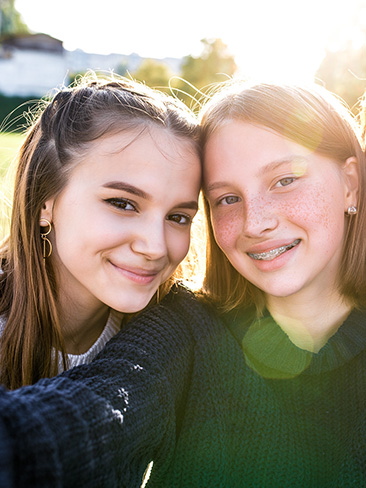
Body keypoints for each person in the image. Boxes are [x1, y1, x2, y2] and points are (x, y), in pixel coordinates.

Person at [0, 80, 366, 488]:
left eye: (285, 180)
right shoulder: (185, 332)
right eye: (227, 198)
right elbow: (102, 408)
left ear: (350, 183)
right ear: (44, 202)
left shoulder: (137, 309)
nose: (256, 222)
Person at [0, 72, 201, 389]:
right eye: (122, 203)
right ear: (44, 203)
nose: (156, 247)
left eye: (178, 217)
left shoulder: (172, 327)